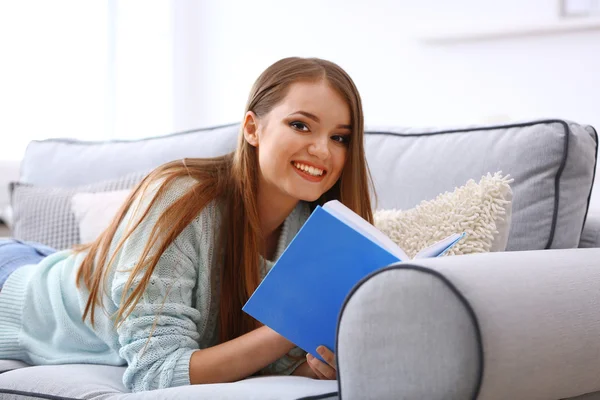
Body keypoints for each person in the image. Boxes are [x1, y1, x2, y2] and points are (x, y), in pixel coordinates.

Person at [0, 57, 375, 392]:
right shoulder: (183, 197)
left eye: (339, 137)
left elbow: (263, 361)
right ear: (252, 129)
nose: (323, 150)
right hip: (15, 290)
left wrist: (312, 368)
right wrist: (289, 328)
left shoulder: (311, 232)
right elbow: (154, 372)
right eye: (301, 125)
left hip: (62, 262)